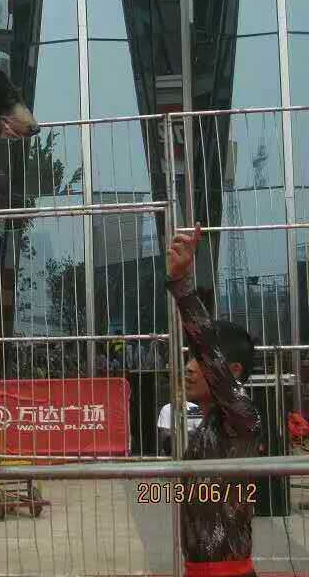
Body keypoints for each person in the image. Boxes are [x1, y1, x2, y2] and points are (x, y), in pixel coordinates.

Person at [166, 224, 261, 577]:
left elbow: (207, 349)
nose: (190, 368)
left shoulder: (243, 419)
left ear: (231, 371)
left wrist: (182, 285)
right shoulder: (210, 426)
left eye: (200, 361)